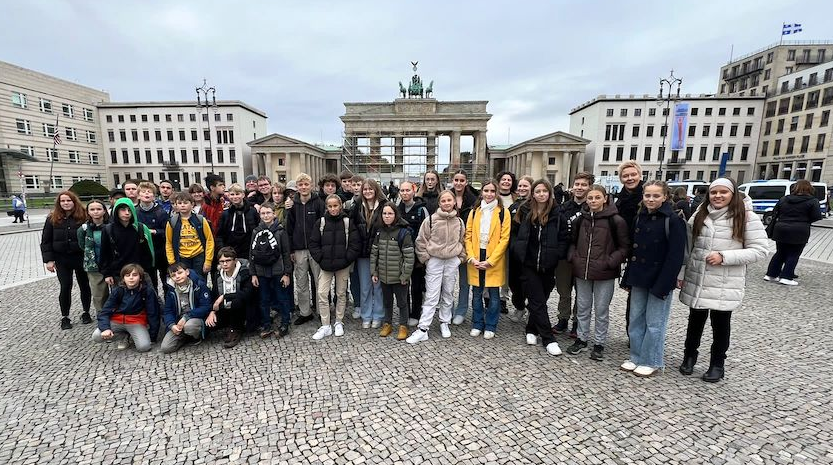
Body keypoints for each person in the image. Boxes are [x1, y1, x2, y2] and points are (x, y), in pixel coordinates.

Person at [678, 177, 768, 382]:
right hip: (698, 277)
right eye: (713, 192)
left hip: (725, 280)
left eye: (723, 192)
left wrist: (725, 257)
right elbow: (688, 248)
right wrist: (682, 274)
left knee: (720, 325)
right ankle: (690, 356)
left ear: (732, 194)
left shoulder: (746, 217)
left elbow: (760, 250)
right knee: (695, 321)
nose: (718, 196)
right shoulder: (700, 214)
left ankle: (717, 364)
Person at [620, 180, 687, 377]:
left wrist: (665, 284)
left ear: (665, 196)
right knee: (635, 319)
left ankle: (652, 360)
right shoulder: (640, 217)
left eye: (656, 195)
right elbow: (634, 249)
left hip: (660, 278)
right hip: (639, 276)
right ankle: (636, 356)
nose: (651, 199)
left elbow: (675, 256)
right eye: (647, 195)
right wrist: (627, 278)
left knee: (655, 322)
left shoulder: (673, 220)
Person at [565, 184, 630, 361]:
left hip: (604, 272)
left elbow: (624, 248)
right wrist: (574, 257)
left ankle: (599, 343)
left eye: (597, 197)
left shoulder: (616, 220)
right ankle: (581, 338)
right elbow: (572, 241)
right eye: (590, 198)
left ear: (605, 198)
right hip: (582, 270)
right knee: (583, 308)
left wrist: (610, 261)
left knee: (601, 310)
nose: (593, 201)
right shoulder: (581, 219)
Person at [512, 179, 569, 355]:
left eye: (544, 191)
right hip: (529, 264)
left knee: (541, 300)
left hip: (548, 264)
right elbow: (514, 233)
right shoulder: (525, 210)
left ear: (549, 193)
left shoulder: (558, 213)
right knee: (537, 300)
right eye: (538, 191)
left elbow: (564, 237)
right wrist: (518, 251)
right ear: (533, 194)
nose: (541, 194)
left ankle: (531, 328)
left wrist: (557, 254)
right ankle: (548, 339)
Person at [407, 190, 467, 344]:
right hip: (435, 260)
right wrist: (427, 259)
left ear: (454, 202)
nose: (447, 203)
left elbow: (463, 241)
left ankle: (444, 322)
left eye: (449, 200)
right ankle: (423, 328)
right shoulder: (431, 220)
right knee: (432, 295)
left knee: (448, 293)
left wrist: (460, 258)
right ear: (439, 203)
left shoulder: (459, 222)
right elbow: (421, 241)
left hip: (452, 260)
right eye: (444, 201)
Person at [309, 195, 361, 340]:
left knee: (341, 293)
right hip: (325, 265)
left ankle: (339, 321)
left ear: (340, 206)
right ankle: (325, 325)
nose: (333, 209)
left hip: (342, 265)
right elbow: (313, 243)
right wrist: (320, 259)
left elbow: (354, 244)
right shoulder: (321, 222)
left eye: (335, 206)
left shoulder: (347, 222)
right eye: (330, 206)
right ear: (326, 207)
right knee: (322, 293)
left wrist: (346, 259)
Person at [464, 180, 511, 339]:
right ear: (481, 192)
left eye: (492, 191)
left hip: (494, 257)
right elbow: (468, 235)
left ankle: (491, 324)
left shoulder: (503, 212)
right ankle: (477, 323)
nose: (489, 194)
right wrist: (470, 256)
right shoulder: (475, 211)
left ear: (496, 192)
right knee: (476, 293)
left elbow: (505, 238)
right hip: (476, 255)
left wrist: (492, 260)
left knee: (493, 294)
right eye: (486, 191)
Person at [41, 190, 92, 329]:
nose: (66, 203)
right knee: (65, 286)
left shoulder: (83, 216)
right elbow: (46, 241)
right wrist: (48, 260)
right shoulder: (52, 218)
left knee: (84, 285)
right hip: (62, 258)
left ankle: (86, 312)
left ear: (74, 201)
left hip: (80, 256)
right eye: (63, 201)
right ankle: (65, 316)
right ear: (59, 203)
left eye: (68, 200)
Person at [553, 172, 594, 336]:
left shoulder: (592, 207)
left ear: (589, 187)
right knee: (563, 290)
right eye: (577, 184)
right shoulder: (563, 207)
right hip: (564, 256)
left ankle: (578, 321)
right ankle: (563, 318)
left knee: (582, 292)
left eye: (583, 185)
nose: (579, 188)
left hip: (584, 256)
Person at [764, 179, 823, 285]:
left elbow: (775, 212)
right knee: (794, 253)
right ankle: (786, 276)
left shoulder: (784, 199)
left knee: (780, 252)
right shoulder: (812, 201)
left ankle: (771, 274)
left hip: (781, 228)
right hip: (799, 229)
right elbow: (817, 216)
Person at [92, 263, 160, 352]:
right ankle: (124, 336)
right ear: (123, 278)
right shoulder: (118, 290)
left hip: (136, 322)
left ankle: (133, 335)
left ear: (140, 278)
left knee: (144, 347)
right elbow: (105, 312)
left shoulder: (147, 291)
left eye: (134, 275)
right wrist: (106, 328)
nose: (131, 278)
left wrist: (153, 335)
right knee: (97, 336)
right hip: (117, 321)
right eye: (127, 275)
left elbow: (153, 313)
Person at [286, 173, 325, 325]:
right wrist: (291, 250)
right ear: (297, 187)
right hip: (299, 249)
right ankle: (305, 312)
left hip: (315, 249)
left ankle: (322, 311)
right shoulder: (293, 205)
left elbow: (324, 226)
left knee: (319, 281)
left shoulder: (319, 203)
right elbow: (289, 229)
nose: (303, 187)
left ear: (311, 185)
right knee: (301, 282)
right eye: (300, 185)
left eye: (306, 184)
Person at [371, 202, 415, 339]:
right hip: (384, 276)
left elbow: (409, 256)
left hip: (399, 276)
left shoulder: (403, 232)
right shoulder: (379, 232)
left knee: (402, 302)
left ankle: (403, 325)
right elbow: (374, 253)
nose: (387, 216)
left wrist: (405, 275)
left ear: (395, 215)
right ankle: (387, 323)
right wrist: (374, 271)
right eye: (384, 213)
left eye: (390, 213)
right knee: (387, 302)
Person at [250, 202, 293, 338]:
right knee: (264, 300)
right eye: (263, 213)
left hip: (278, 271)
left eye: (268, 212)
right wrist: (253, 274)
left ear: (274, 214)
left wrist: (287, 273)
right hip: (261, 271)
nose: (266, 215)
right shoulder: (256, 231)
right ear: (260, 215)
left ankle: (285, 322)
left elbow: (286, 253)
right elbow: (251, 253)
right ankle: (266, 324)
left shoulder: (280, 231)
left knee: (282, 298)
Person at [615, 161, 644, 340]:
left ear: (639, 175)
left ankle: (640, 335)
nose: (629, 178)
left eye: (632, 174)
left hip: (645, 252)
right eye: (625, 176)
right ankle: (632, 334)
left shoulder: (647, 196)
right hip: (629, 252)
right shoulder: (620, 200)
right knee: (633, 297)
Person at [351, 178, 386, 328]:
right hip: (362, 253)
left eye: (370, 189)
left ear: (376, 189)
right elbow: (352, 227)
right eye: (365, 189)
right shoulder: (357, 206)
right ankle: (366, 314)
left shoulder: (384, 205)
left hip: (378, 251)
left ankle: (378, 314)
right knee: (365, 286)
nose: (367, 191)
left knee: (377, 285)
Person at [100, 198, 156, 290]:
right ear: (116, 211)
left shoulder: (140, 229)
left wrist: (146, 271)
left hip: (139, 272)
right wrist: (107, 274)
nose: (126, 213)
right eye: (123, 210)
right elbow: (104, 253)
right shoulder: (108, 230)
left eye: (129, 210)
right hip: (118, 273)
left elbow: (148, 253)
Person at [160, 262, 213, 353]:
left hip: (195, 318)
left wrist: (187, 317)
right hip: (179, 322)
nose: (177, 276)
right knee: (166, 348)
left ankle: (196, 335)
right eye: (173, 275)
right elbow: (168, 311)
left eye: (180, 273)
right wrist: (172, 325)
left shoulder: (198, 285)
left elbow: (206, 307)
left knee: (190, 326)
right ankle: (185, 336)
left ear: (187, 272)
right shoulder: (171, 291)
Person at [397, 180, 429, 326]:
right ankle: (405, 312)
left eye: (407, 190)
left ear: (413, 191)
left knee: (416, 285)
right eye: (402, 190)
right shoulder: (397, 209)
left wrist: (423, 255)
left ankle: (416, 312)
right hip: (402, 255)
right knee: (403, 285)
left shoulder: (421, 210)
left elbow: (428, 233)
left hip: (417, 255)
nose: (405, 193)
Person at [210, 247, 255, 348]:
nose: (225, 264)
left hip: (244, 308)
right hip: (225, 309)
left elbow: (247, 293)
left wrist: (225, 296)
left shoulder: (244, 272)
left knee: (236, 302)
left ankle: (236, 329)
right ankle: (229, 325)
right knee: (210, 325)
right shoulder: (217, 275)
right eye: (222, 262)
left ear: (235, 261)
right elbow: (214, 295)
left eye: (228, 261)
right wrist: (212, 311)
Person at [165, 192, 214, 278]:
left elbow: (209, 240)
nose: (182, 205)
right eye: (179, 203)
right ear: (176, 205)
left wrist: (208, 261)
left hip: (199, 256)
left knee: (200, 281)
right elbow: (169, 242)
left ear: (192, 204)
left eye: (185, 203)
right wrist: (171, 261)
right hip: (181, 257)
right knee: (184, 281)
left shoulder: (200, 220)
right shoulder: (172, 222)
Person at [451, 170, 478, 325]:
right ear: (453, 181)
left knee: (464, 281)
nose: (459, 183)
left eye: (462, 180)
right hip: (449, 245)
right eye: (456, 180)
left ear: (466, 182)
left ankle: (461, 310)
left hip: (466, 246)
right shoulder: (447, 197)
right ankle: (448, 308)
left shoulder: (474, 200)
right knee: (447, 280)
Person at [507, 175, 533, 323]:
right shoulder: (514, 206)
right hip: (514, 251)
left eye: (525, 186)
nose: (522, 189)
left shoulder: (536, 206)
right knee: (514, 283)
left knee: (530, 283)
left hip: (530, 251)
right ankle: (519, 306)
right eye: (520, 186)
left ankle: (531, 309)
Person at [78, 200, 110, 317]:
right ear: (88, 212)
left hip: (111, 263)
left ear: (104, 211)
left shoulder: (111, 226)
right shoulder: (83, 229)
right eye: (92, 209)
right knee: (99, 294)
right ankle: (102, 316)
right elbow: (83, 246)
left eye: (98, 209)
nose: (96, 212)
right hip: (94, 265)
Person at [136, 182, 169, 290]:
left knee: (166, 280)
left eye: (149, 192)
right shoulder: (135, 212)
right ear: (139, 195)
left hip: (161, 251)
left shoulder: (161, 212)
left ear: (154, 196)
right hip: (144, 252)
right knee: (150, 282)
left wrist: (155, 232)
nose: (147, 194)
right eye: (143, 191)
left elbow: (167, 231)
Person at [216, 183, 260, 259]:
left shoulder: (252, 212)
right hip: (231, 253)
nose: (235, 197)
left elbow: (258, 230)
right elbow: (220, 235)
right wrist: (223, 250)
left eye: (237, 194)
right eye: (232, 194)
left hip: (249, 251)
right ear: (228, 196)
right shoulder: (225, 214)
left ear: (243, 195)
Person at [495, 171, 517, 315]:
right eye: (503, 179)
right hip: (494, 239)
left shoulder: (515, 198)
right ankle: (489, 297)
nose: (506, 182)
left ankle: (503, 298)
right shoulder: (493, 196)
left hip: (511, 239)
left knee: (507, 271)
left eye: (509, 180)